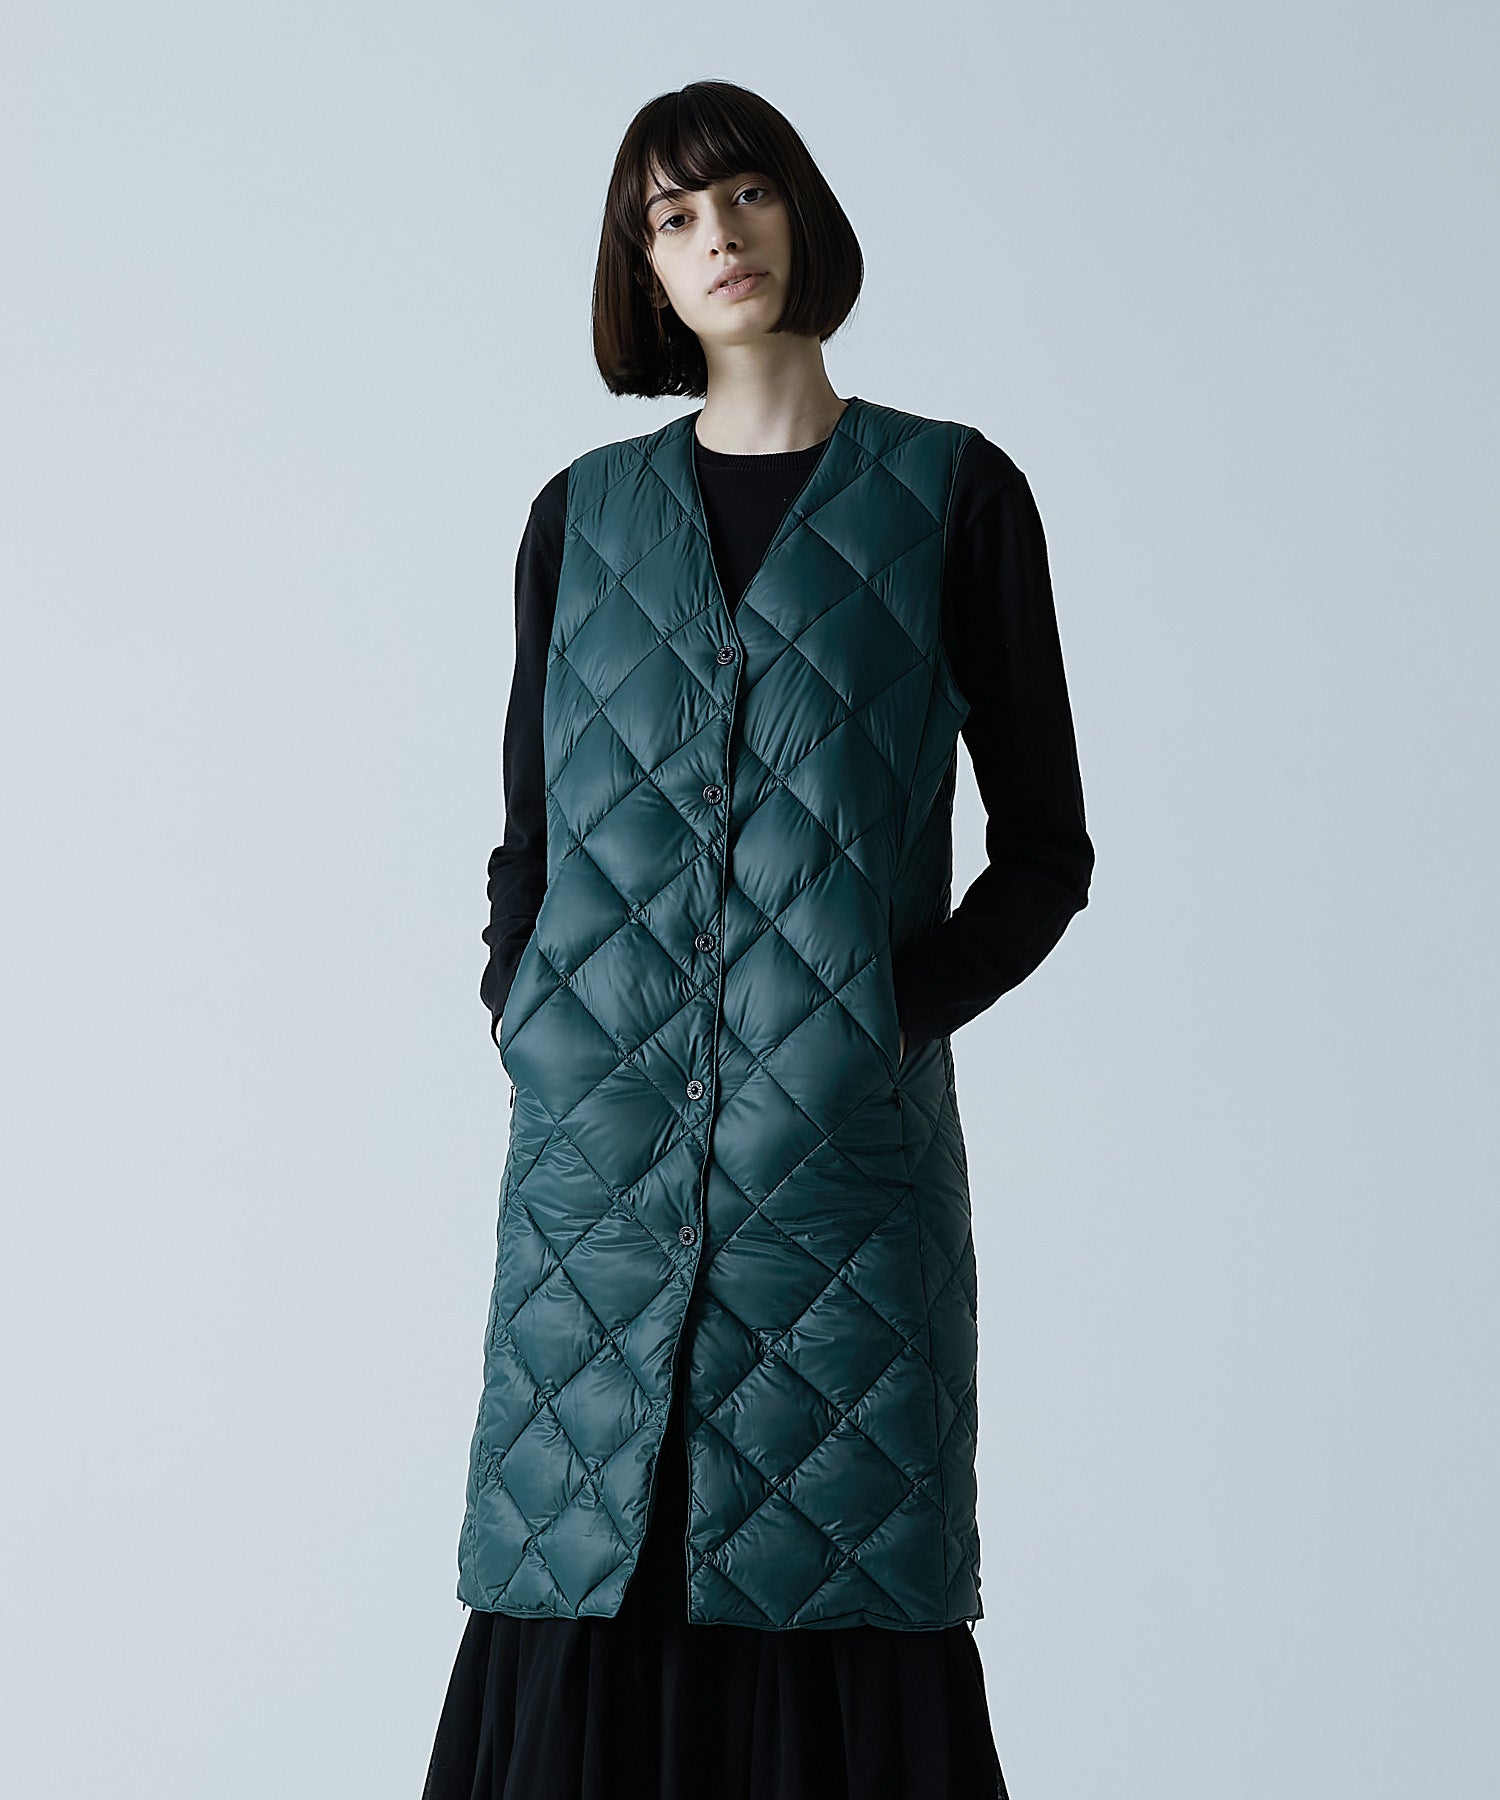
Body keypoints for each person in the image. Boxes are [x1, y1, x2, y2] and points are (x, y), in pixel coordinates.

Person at [423, 78, 1095, 1800]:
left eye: (742, 194)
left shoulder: (954, 494)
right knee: (576, 1569)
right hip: (591, 1194)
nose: (716, 236)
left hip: (840, 1198)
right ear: (642, 269)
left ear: (800, 209)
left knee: (842, 1581)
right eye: (670, 217)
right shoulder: (579, 517)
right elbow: (529, 841)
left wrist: (882, 1018)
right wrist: (526, 1013)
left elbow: (1046, 855)